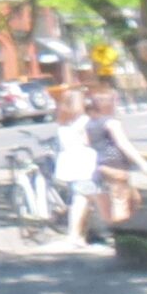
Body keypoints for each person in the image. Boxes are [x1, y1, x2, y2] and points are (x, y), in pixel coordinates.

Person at [87, 88, 147, 226]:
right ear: (109, 104)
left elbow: (87, 143)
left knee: (130, 200)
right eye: (115, 101)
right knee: (121, 202)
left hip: (98, 165)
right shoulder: (111, 123)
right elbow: (123, 144)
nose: (117, 104)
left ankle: (115, 231)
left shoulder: (90, 123)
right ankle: (122, 234)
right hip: (115, 164)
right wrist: (143, 164)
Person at [51, 86, 99, 247]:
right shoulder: (84, 121)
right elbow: (88, 141)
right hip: (84, 161)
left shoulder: (63, 123)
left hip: (69, 161)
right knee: (82, 198)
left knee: (81, 197)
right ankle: (75, 234)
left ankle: (80, 234)